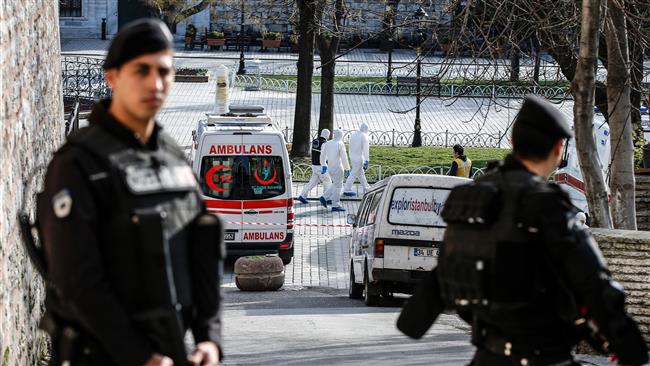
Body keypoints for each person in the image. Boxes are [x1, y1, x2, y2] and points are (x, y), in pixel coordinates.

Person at [397, 95, 648, 366]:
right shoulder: (545, 204)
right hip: (543, 357)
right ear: (558, 148)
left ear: (513, 143)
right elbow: (594, 284)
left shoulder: (471, 198)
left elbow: (447, 273)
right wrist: (631, 350)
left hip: (485, 357)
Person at [35, 19, 223, 366]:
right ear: (113, 77)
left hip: (172, 351)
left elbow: (203, 247)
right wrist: (140, 357)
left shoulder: (173, 156)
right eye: (141, 71)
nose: (155, 83)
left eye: (164, 72)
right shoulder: (78, 165)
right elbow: (77, 283)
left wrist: (209, 338)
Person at [297, 129, 332, 204]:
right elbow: (324, 156)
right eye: (328, 135)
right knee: (327, 182)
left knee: (312, 182)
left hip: (314, 165)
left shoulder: (314, 141)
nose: (328, 136)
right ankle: (327, 198)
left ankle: (302, 195)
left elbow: (311, 152)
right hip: (321, 166)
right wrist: (325, 164)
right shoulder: (325, 143)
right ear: (326, 135)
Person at [319, 129, 350, 212]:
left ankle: (324, 197)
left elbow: (322, 156)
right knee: (338, 186)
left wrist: (323, 164)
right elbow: (344, 158)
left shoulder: (327, 143)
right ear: (341, 135)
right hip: (338, 168)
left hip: (330, 168)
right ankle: (335, 205)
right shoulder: (340, 144)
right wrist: (347, 168)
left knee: (335, 184)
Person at [343, 123, 371, 197]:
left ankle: (366, 187)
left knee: (360, 173)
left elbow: (349, 147)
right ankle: (347, 189)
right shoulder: (364, 136)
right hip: (359, 157)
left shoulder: (354, 135)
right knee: (354, 173)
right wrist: (367, 160)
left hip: (352, 157)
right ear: (366, 129)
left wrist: (350, 156)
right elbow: (366, 149)